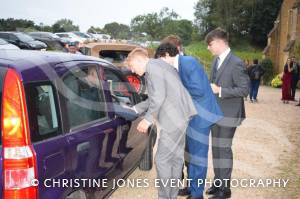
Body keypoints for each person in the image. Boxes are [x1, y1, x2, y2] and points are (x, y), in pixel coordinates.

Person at [126, 48, 197, 199]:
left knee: (162, 159)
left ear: (140, 60)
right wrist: (134, 108)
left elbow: (159, 97)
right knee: (176, 158)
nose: (132, 70)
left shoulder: (152, 69)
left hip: (174, 118)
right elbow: (154, 98)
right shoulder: (159, 65)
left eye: (132, 66)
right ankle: (172, 195)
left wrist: (147, 120)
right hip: (181, 115)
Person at [155, 41, 223, 199]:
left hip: (201, 116)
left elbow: (198, 90)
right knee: (191, 155)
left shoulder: (188, 62)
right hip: (191, 115)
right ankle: (192, 188)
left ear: (166, 55)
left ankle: (197, 194)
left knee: (198, 156)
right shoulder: (178, 66)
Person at [205, 28, 249, 199]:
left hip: (229, 114)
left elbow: (244, 89)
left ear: (219, 42)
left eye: (210, 45)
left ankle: (225, 190)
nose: (209, 48)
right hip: (215, 113)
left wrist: (220, 90)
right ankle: (218, 183)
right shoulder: (216, 60)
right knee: (216, 149)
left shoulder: (236, 62)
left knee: (223, 150)